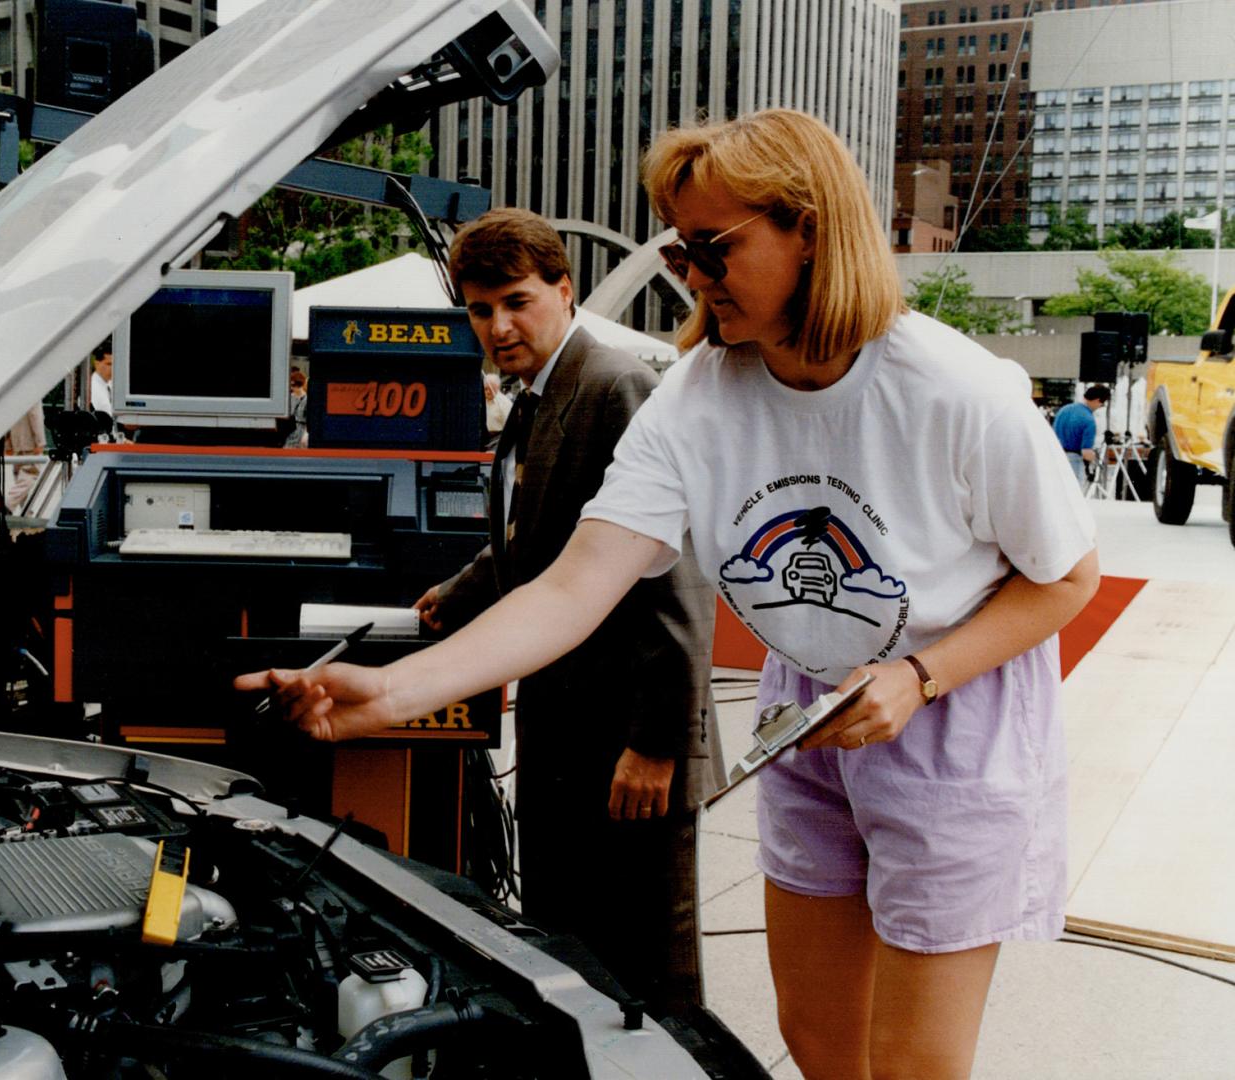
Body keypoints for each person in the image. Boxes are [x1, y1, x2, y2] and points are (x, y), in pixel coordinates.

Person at [238, 110, 1099, 1080]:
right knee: (817, 1041)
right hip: (811, 706)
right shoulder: (696, 394)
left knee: (911, 1065)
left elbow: (1067, 577)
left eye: (713, 246)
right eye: (680, 248)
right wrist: (394, 692)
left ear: (808, 228)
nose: (691, 273)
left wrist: (918, 677)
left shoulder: (953, 390)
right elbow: (574, 582)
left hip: (949, 712)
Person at [376, 208, 722, 1017]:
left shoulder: (617, 388)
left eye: (517, 302)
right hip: (567, 731)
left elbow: (675, 586)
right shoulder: (540, 397)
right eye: (479, 309)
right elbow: (538, 542)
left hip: (626, 744)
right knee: (572, 950)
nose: (498, 326)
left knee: (643, 976)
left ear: (565, 292)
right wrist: (455, 594)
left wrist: (656, 744)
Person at [1052, 384, 1110, 492]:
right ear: (1097, 400)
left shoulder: (1063, 410)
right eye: (1102, 404)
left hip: (1055, 457)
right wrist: (1095, 460)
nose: (1100, 407)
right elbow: (1086, 453)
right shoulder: (1089, 420)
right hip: (1074, 460)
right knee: (1074, 495)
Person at [481, 371, 512, 451]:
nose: (487, 392)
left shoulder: (505, 403)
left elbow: (510, 426)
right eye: (485, 389)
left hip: (498, 438)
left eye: (490, 389)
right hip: (482, 437)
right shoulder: (481, 401)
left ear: (497, 388)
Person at [284, 369, 309, 448]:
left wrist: (306, 433)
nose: (292, 388)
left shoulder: (307, 399)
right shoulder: (289, 398)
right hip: (289, 429)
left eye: (294, 385)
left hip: (301, 429)